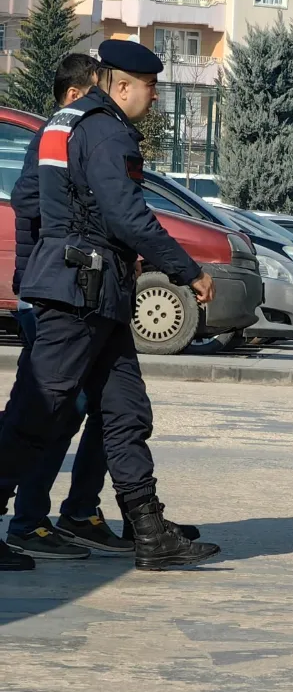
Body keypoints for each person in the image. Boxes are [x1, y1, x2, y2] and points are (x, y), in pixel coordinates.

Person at [0, 39, 220, 572]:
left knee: (125, 412)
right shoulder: (103, 129)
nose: (154, 98)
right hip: (80, 291)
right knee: (38, 411)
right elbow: (126, 213)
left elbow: (35, 201)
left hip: (95, 292)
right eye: (150, 88)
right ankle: (28, 519)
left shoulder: (69, 121)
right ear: (122, 86)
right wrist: (187, 268)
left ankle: (148, 527)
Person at [3, 54, 134, 560]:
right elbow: (28, 204)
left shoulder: (79, 137)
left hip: (87, 292)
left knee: (109, 407)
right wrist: (34, 278)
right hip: (56, 293)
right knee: (53, 410)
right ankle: (29, 519)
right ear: (79, 96)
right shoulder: (58, 137)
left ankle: (79, 512)